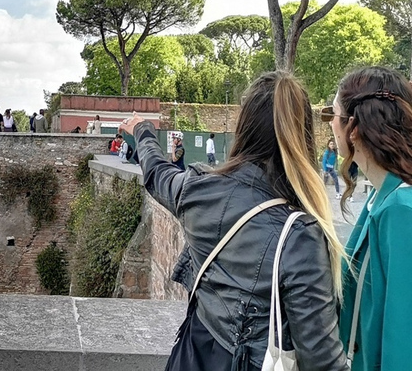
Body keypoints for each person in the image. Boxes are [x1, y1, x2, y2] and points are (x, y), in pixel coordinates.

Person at [120, 71, 348, 371]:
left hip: (192, 356)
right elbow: (322, 361)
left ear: (244, 127)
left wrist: (144, 132)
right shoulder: (300, 236)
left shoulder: (196, 189)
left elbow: (156, 174)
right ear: (303, 136)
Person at [325, 66, 412, 371]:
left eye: (332, 115)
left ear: (355, 128)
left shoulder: (402, 210)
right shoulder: (381, 197)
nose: (330, 126)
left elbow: (403, 342)